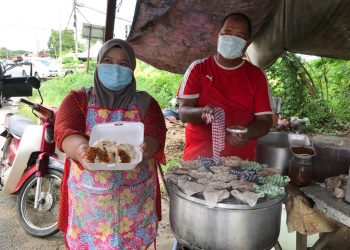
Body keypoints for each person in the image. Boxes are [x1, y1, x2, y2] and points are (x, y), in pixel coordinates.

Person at [54, 39, 166, 249]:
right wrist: (81, 150)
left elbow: (157, 133)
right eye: (108, 60)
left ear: (132, 69)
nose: (115, 69)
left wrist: (146, 148)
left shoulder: (146, 103)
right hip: (89, 208)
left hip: (135, 205)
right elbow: (64, 131)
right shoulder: (78, 100)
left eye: (123, 64)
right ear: (98, 64)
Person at [177, 13, 272, 161]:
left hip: (240, 162)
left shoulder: (256, 76)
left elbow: (265, 121)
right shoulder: (198, 68)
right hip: (199, 159)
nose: (232, 39)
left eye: (239, 35)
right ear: (218, 35)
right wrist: (201, 112)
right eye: (227, 33)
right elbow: (183, 112)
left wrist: (247, 133)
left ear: (247, 42)